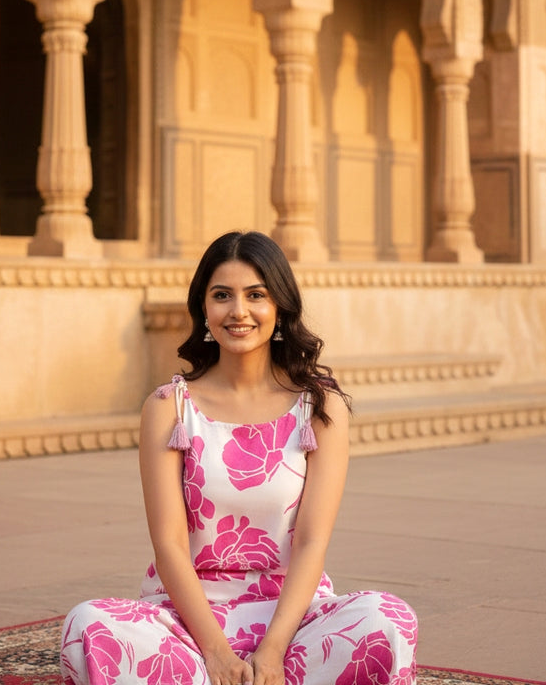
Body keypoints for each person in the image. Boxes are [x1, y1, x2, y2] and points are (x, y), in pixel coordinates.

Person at [60, 230, 417, 685]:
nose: (239, 311)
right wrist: (216, 653)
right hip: (188, 622)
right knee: (87, 625)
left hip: (293, 618)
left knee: (388, 618)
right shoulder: (169, 407)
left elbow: (311, 542)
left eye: (256, 295)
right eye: (222, 295)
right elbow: (168, 545)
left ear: (280, 307)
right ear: (204, 309)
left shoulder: (320, 408)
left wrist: (272, 649)